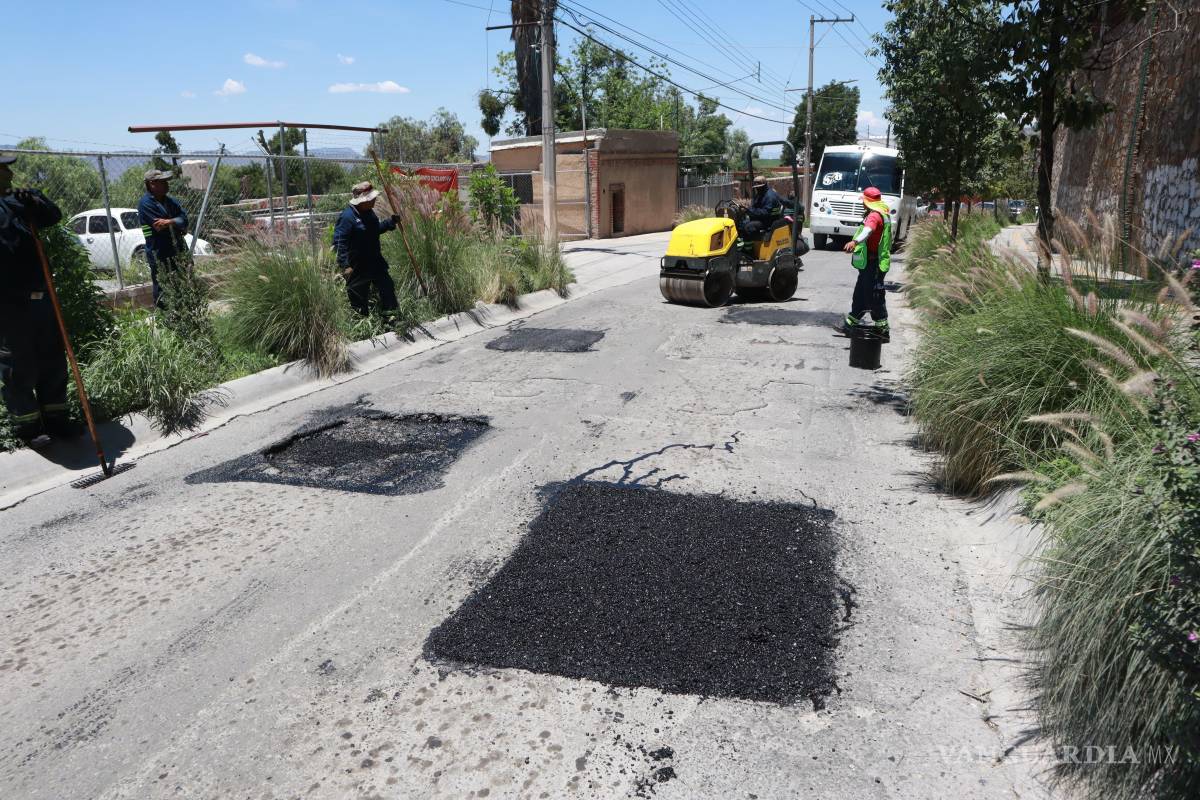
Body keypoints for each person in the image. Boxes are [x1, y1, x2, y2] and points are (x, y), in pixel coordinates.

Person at [0, 152, 79, 446]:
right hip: (9, 304)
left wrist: (36, 200)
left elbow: (52, 217)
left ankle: (57, 420)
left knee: (51, 359)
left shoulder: (17, 202)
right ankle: (28, 429)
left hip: (40, 298)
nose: (9, 175)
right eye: (3, 170)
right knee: (19, 365)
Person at [333, 181, 402, 317]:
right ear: (360, 201)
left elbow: (374, 230)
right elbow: (339, 242)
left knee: (387, 289)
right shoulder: (347, 217)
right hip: (357, 267)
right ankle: (362, 329)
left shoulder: (369, 213)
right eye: (371, 198)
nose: (374, 200)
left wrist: (390, 222)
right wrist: (345, 265)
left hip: (376, 261)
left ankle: (392, 321)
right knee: (359, 302)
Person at [842, 186, 893, 339]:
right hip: (870, 263)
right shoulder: (881, 213)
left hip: (874, 263)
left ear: (868, 202)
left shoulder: (874, 216)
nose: (862, 204)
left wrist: (855, 242)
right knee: (861, 292)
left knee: (874, 295)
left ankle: (882, 328)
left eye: (863, 201)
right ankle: (852, 322)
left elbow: (868, 230)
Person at [137, 169, 189, 305]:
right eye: (163, 182)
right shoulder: (146, 204)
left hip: (178, 248)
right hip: (159, 252)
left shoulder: (171, 201)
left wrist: (170, 222)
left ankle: (183, 312)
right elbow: (160, 228)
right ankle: (165, 317)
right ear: (152, 184)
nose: (167, 184)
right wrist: (178, 225)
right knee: (163, 285)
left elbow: (185, 220)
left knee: (185, 280)